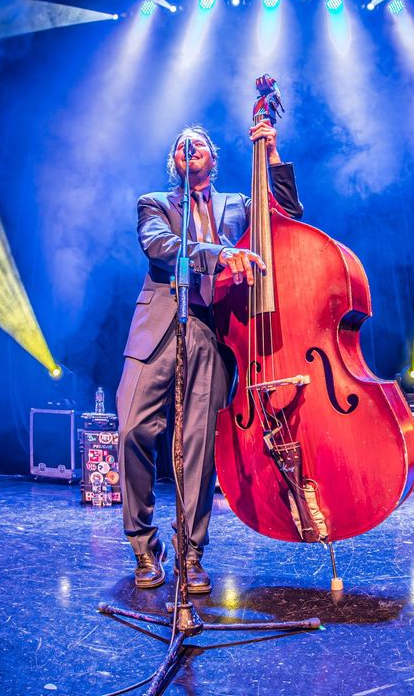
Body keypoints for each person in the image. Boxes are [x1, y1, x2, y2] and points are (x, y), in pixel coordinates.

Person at [116, 119, 301, 591]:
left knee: (199, 444)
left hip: (213, 331)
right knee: (134, 427)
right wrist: (218, 254)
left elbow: (289, 218)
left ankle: (191, 552)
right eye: (181, 146)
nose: (189, 148)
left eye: (198, 144)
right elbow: (158, 247)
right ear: (175, 164)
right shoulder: (155, 203)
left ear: (213, 159)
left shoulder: (238, 205)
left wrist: (271, 156)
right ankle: (143, 546)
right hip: (158, 327)